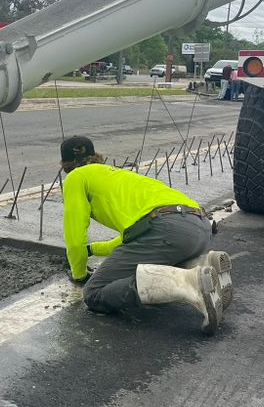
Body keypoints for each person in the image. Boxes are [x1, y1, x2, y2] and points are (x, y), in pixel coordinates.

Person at [60, 136, 233, 334]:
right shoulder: (119, 176)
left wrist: (79, 274)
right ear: (97, 157)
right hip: (199, 227)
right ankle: (202, 265)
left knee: (94, 293)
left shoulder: (75, 177)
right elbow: (134, 240)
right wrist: (92, 250)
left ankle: (189, 282)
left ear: (65, 166)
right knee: (154, 262)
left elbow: (74, 237)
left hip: (168, 230)